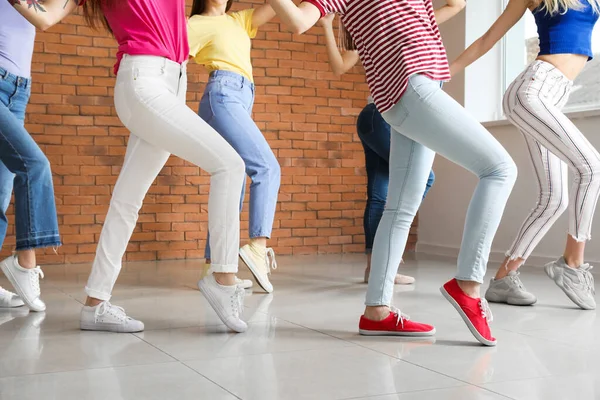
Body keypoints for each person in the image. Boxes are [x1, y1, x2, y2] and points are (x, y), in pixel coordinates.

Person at [268, 0, 518, 346]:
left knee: (399, 209)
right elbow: (298, 21)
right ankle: (468, 285)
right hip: (412, 89)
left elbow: (456, 5)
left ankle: (377, 313)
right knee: (499, 169)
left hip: (413, 92)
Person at [11, 0, 250, 333]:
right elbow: (48, 15)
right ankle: (223, 279)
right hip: (144, 81)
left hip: (172, 83)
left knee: (127, 200)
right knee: (229, 166)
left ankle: (95, 304)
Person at [450, 0, 599, 310]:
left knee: (555, 198)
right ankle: (572, 265)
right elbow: (488, 38)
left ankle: (504, 279)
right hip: (533, 89)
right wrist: (445, 71)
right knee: (591, 168)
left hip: (555, 94)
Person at [319, 13, 436, 286]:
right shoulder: (376, 26)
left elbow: (455, 7)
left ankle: (376, 268)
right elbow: (339, 66)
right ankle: (389, 246)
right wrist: (326, 25)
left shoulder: (382, 26)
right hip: (382, 117)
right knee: (425, 178)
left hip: (372, 118)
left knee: (378, 194)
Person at [188, 0, 280, 293]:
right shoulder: (194, 25)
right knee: (266, 166)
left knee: (234, 177)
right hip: (222, 95)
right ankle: (257, 246)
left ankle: (213, 265)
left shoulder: (239, 20)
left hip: (241, 98)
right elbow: (171, 58)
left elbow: (278, 6)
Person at [0, 0, 62, 312]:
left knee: (1, 191)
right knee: (33, 165)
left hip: (18, 90)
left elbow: (48, 18)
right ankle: (25, 263)